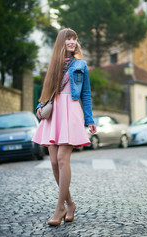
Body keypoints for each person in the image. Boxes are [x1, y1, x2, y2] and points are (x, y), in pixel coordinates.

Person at [32, 28, 96, 226]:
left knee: (62, 158)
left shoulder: (80, 65)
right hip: (54, 112)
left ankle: (59, 207)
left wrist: (89, 119)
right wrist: (39, 107)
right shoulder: (53, 65)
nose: (72, 42)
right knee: (53, 161)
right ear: (62, 42)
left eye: (74, 39)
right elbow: (46, 91)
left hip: (71, 111)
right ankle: (70, 203)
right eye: (68, 39)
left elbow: (85, 93)